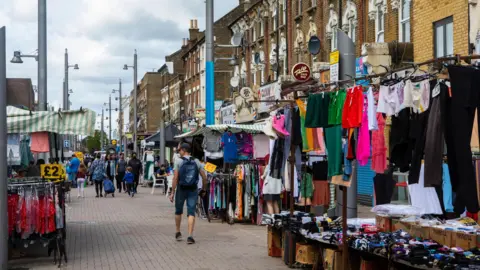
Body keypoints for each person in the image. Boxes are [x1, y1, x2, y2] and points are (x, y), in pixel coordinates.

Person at [169, 143, 207, 245]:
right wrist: (203, 189)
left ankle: (178, 232)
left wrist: (172, 192)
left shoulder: (178, 161)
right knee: (191, 213)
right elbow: (204, 177)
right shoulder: (196, 161)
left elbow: (175, 178)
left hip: (181, 189)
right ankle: (190, 236)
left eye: (180, 150)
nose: (179, 152)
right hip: (193, 190)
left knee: (178, 211)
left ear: (184, 150)